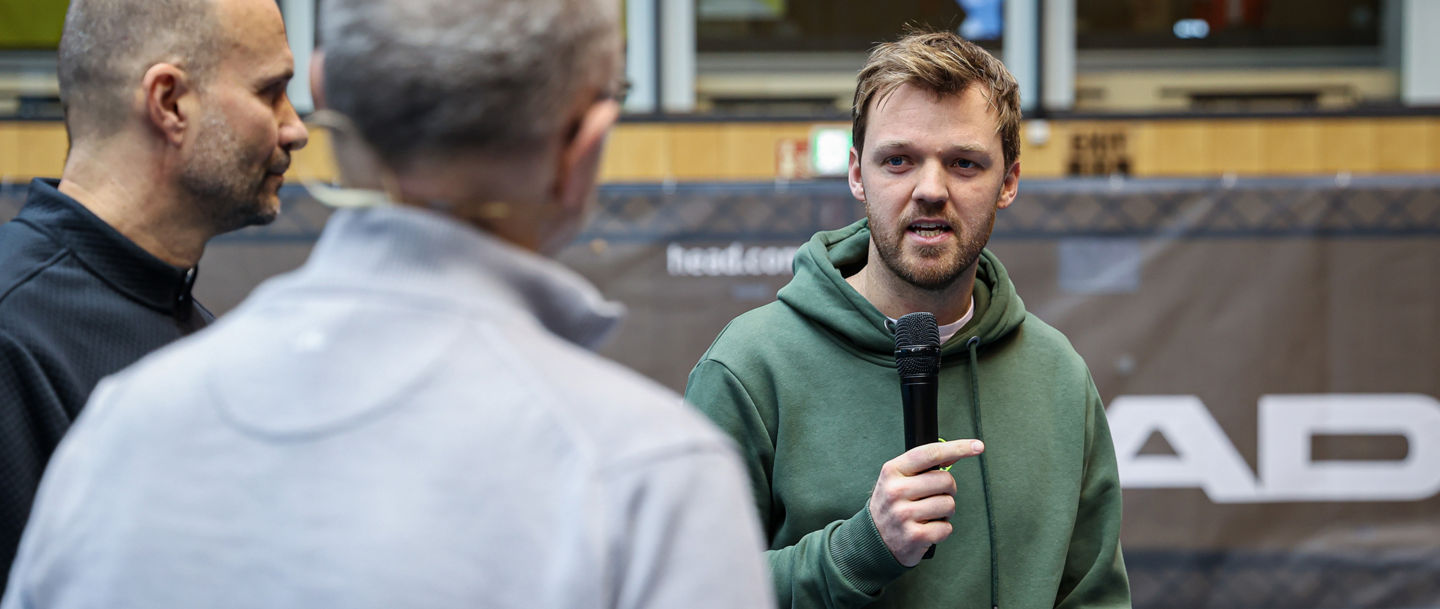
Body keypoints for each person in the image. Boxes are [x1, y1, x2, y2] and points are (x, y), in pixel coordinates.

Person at [1, 0, 775, 607]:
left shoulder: (124, 425)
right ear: (586, 148)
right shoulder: (647, 475)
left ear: (335, 97)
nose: (291, 125)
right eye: (271, 91)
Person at [685, 31, 1131, 608]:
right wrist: (857, 550)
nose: (929, 190)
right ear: (856, 174)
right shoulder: (748, 369)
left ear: (1010, 182)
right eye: (898, 160)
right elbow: (686, 588)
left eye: (964, 163)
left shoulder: (1057, 375)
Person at [0, 0, 308, 589]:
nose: (295, 127)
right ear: (169, 103)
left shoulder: (187, 326)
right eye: (271, 92)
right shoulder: (14, 336)